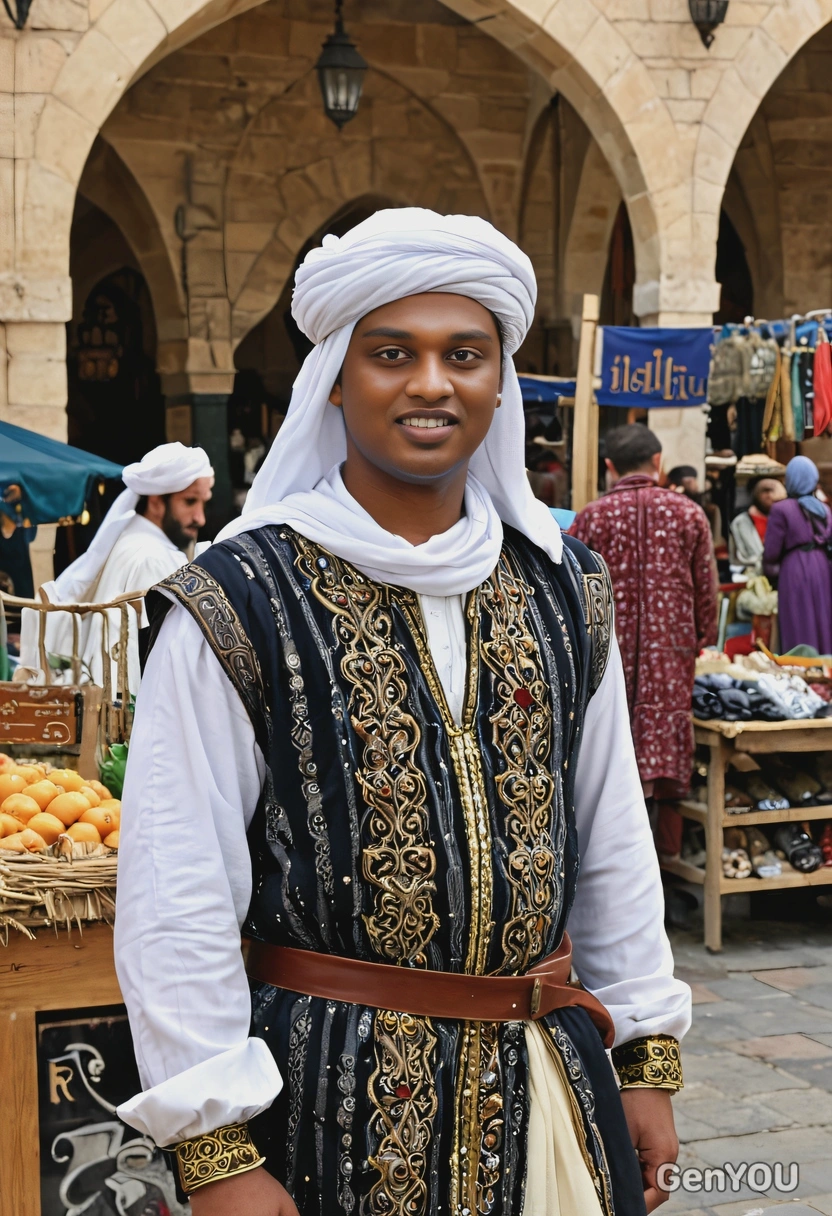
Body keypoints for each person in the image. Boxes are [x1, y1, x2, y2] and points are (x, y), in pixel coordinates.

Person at [114, 210, 690, 1216]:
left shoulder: (566, 589)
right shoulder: (236, 602)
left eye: (464, 354)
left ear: (499, 380)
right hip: (326, 1111)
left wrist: (643, 1051)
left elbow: (612, 834)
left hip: (551, 1090)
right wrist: (217, 1151)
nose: (431, 383)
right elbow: (177, 888)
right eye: (393, 354)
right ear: (336, 378)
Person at [570, 426, 717, 859]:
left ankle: (608, 871)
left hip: (604, 663)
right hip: (669, 665)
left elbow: (571, 591)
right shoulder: (689, 514)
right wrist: (700, 639)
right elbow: (706, 592)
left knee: (608, 758)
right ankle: (665, 873)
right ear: (658, 461)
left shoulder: (592, 518)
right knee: (664, 764)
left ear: (610, 466)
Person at [18, 442, 213, 694]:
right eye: (189, 502)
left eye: (203, 503)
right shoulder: (152, 557)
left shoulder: (128, 539)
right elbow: (164, 659)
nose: (200, 517)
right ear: (155, 502)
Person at [764, 455, 832, 654]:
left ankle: (800, 666)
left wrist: (770, 571)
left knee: (798, 619)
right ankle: (825, 667)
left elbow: (771, 551)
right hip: (822, 568)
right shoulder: (825, 510)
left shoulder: (781, 509)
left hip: (794, 568)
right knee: (822, 617)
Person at [730, 477, 786, 575]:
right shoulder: (740, 523)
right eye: (765, 491)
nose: (770, 496)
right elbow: (739, 557)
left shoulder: (782, 521)